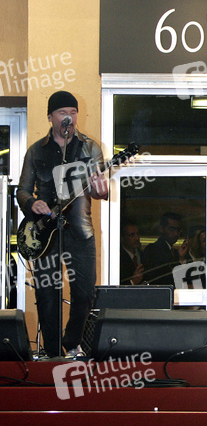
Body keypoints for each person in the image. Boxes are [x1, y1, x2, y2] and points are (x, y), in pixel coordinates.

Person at [17, 91, 108, 357]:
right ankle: (53, 352)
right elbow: (22, 191)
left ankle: (71, 342)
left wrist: (102, 190)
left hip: (80, 231)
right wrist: (32, 203)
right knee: (47, 295)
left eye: (73, 112)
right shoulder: (36, 150)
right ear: (50, 117)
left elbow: (98, 190)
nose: (69, 117)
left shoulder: (90, 148)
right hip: (45, 233)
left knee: (84, 292)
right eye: (62, 112)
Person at [142, 212, 186, 286]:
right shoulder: (153, 249)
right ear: (161, 229)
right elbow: (163, 278)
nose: (176, 233)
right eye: (172, 230)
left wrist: (181, 258)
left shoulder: (175, 252)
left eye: (178, 230)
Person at [120, 220, 144, 285]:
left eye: (138, 234)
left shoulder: (145, 255)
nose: (137, 238)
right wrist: (132, 282)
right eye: (132, 235)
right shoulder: (118, 259)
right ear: (122, 238)